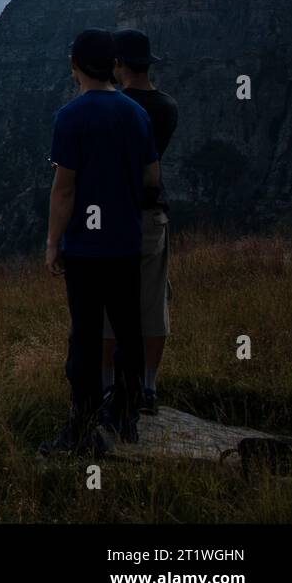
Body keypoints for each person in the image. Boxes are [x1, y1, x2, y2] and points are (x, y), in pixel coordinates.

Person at [41, 29, 160, 457]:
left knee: (86, 336)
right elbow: (151, 177)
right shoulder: (135, 114)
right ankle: (126, 415)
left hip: (86, 251)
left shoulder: (70, 117)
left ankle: (83, 422)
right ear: (112, 65)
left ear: (75, 65)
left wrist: (54, 242)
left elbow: (64, 190)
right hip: (126, 243)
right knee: (129, 329)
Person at [103, 29, 178, 414]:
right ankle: (148, 387)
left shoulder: (113, 107)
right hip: (153, 215)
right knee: (152, 304)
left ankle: (107, 386)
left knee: (107, 307)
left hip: (113, 216)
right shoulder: (166, 107)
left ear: (119, 65)